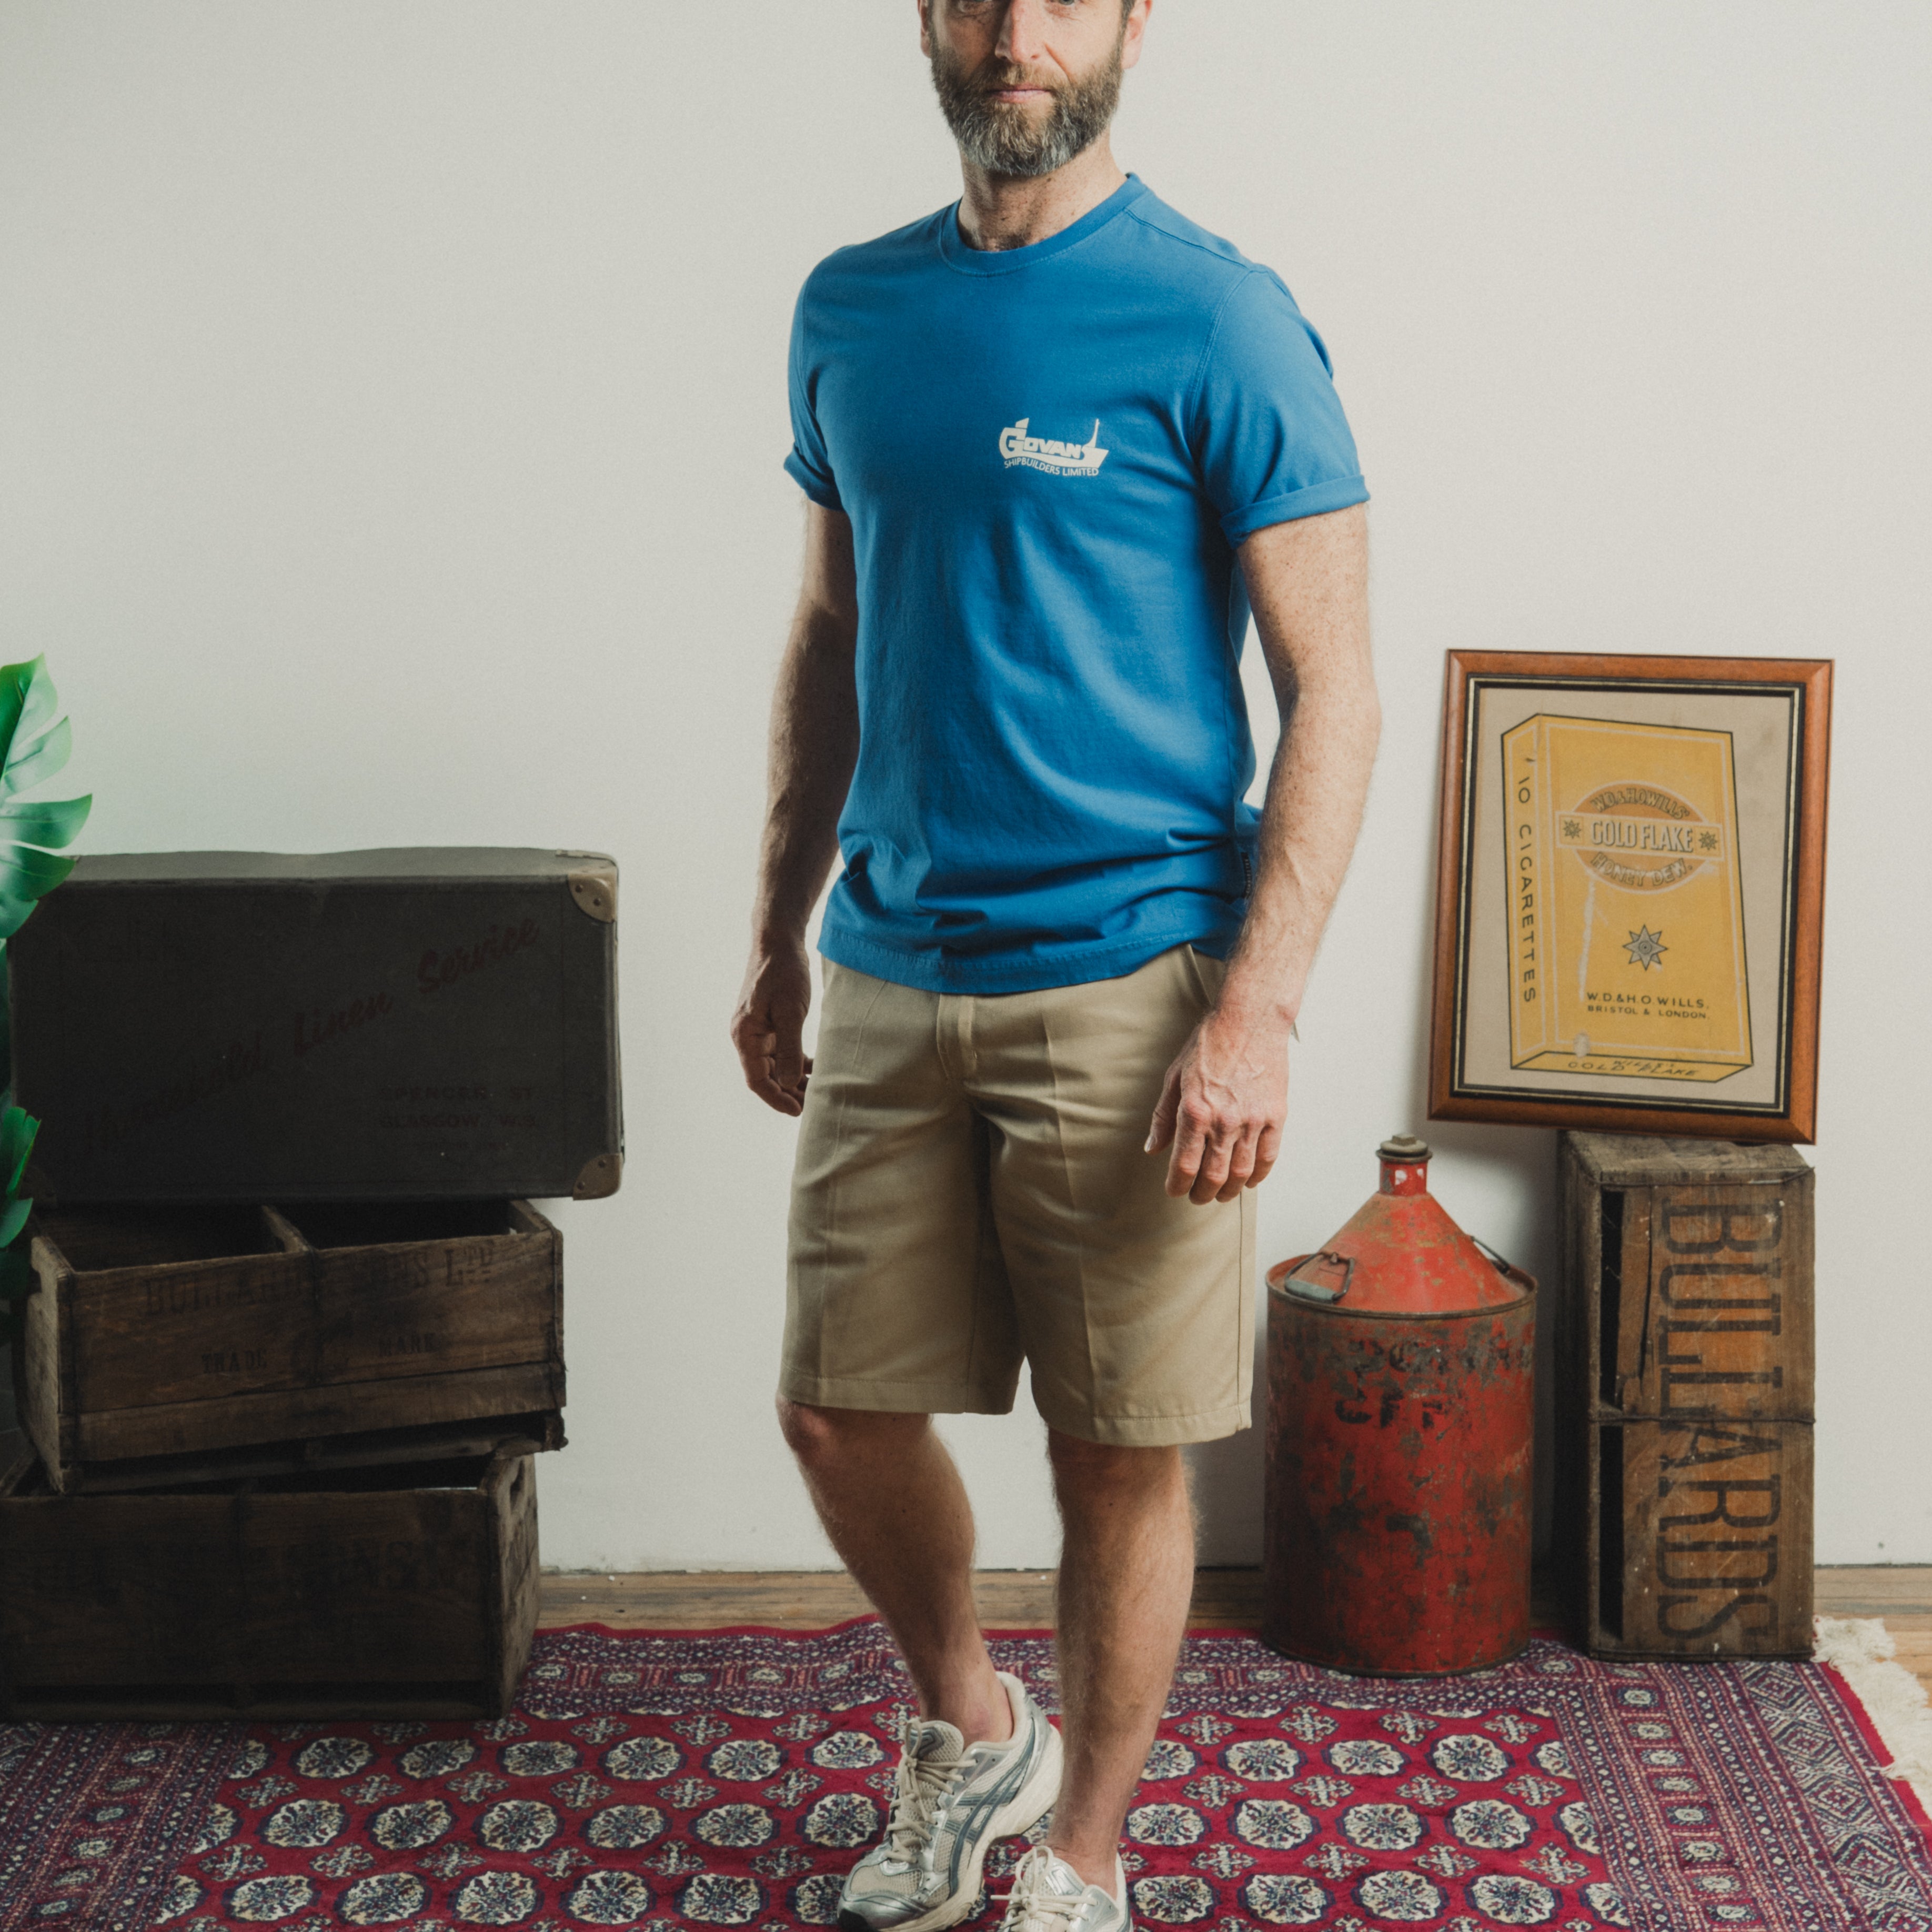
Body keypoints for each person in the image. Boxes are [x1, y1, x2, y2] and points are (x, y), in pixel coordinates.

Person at [731, 2, 1380, 1926]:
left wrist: (1254, 1012)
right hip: (894, 958)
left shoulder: (1218, 317)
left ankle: (1084, 1865)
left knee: (1115, 1458)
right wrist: (775, 924)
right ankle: (973, 1730)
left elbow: (1334, 685)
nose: (1018, 33)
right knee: (837, 1410)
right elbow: (830, 637)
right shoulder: (849, 309)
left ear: (1134, 19)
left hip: (1139, 975)